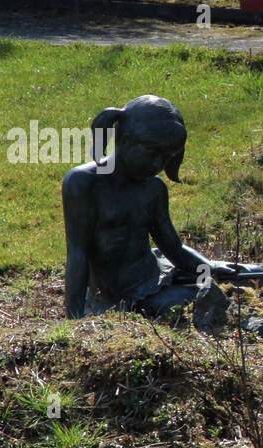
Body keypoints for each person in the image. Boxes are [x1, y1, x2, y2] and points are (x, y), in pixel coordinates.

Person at [61, 94, 243, 318]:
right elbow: (77, 253)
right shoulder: (84, 183)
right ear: (124, 139)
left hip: (153, 277)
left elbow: (173, 248)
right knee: (187, 302)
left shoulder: (154, 189)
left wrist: (210, 268)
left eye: (166, 157)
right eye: (152, 152)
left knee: (237, 277)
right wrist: (74, 320)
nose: (158, 164)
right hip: (115, 294)